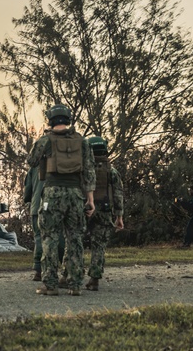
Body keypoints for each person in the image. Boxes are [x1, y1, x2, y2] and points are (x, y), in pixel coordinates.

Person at [26, 104, 96, 296]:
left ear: (50, 119)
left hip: (52, 194)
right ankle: (75, 285)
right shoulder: (82, 142)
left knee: (50, 237)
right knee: (75, 239)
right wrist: (90, 199)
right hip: (76, 194)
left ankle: (50, 284)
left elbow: (31, 161)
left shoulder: (45, 140)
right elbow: (89, 171)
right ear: (68, 119)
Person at [83, 136, 124, 291]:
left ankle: (69, 275)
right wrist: (119, 216)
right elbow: (118, 194)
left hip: (85, 209)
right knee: (98, 246)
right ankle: (94, 279)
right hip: (105, 211)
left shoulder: (84, 170)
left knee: (75, 243)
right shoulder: (112, 172)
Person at [23, 158, 65, 282]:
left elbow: (28, 190)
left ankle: (38, 270)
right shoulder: (62, 164)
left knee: (39, 238)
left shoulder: (34, 167)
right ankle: (65, 269)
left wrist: (28, 200)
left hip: (37, 207)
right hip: (58, 206)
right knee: (61, 238)